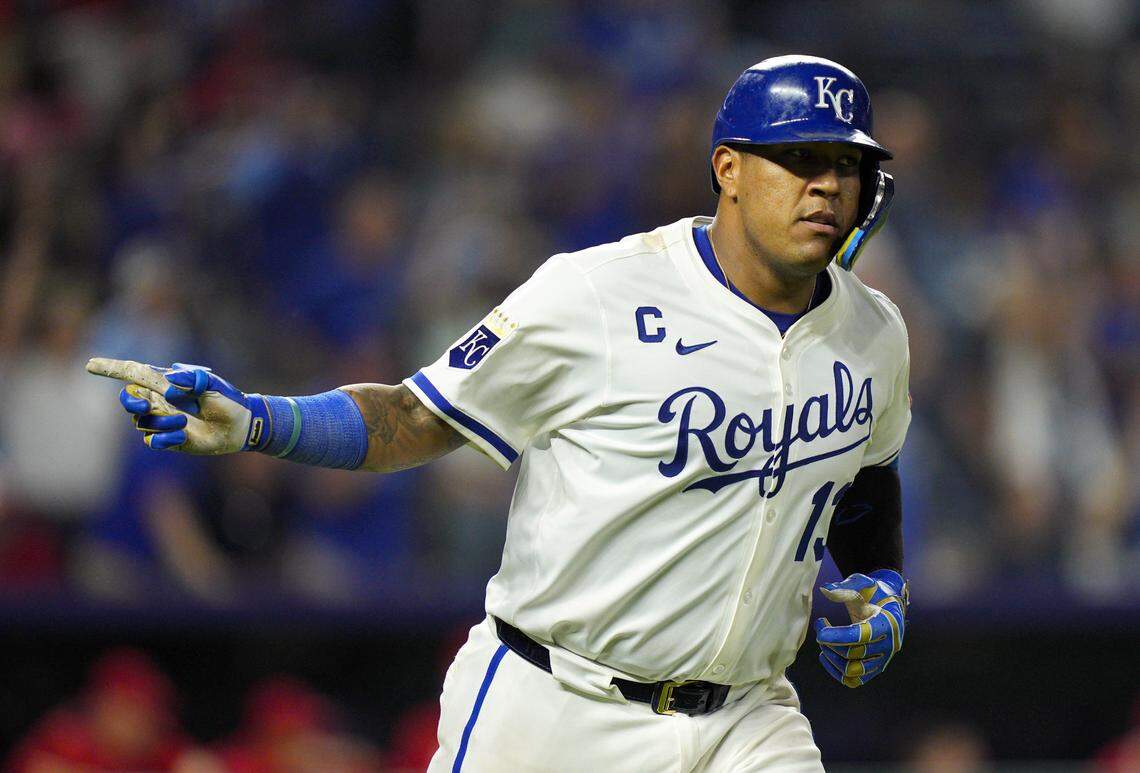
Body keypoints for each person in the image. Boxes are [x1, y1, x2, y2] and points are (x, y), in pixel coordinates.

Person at [88, 55, 911, 771]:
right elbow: (415, 417)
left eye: (847, 164)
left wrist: (880, 577)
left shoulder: (874, 332)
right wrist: (263, 421)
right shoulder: (597, 293)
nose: (827, 184)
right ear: (727, 168)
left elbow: (867, 472)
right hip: (561, 704)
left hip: (748, 720)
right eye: (800, 157)